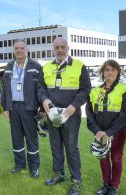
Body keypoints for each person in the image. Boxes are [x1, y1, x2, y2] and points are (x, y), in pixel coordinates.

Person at [38, 37, 91, 195]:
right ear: (53, 49)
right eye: (57, 47)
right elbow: (41, 87)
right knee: (55, 146)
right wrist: (44, 99)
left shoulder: (79, 66)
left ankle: (76, 180)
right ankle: (58, 174)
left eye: (62, 47)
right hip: (52, 114)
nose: (60, 50)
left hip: (71, 115)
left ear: (68, 48)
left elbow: (86, 89)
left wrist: (74, 105)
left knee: (71, 148)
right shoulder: (46, 67)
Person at [86, 60, 126, 195]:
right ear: (103, 72)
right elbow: (89, 112)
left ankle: (114, 186)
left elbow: (125, 115)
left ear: (118, 72)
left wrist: (109, 132)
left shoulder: (124, 90)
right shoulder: (96, 90)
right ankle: (106, 184)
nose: (110, 72)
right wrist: (97, 131)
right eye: (107, 70)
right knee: (103, 157)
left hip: (117, 132)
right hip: (100, 132)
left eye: (113, 70)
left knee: (116, 158)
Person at [1, 39, 42, 178]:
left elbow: (40, 89)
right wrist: (5, 107)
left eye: (21, 48)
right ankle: (19, 164)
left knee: (31, 138)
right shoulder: (8, 66)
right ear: (14, 50)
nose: (19, 50)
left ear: (26, 50)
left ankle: (34, 167)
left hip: (29, 107)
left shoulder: (35, 66)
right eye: (16, 48)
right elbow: (5, 88)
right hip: (13, 107)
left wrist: (41, 108)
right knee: (16, 137)